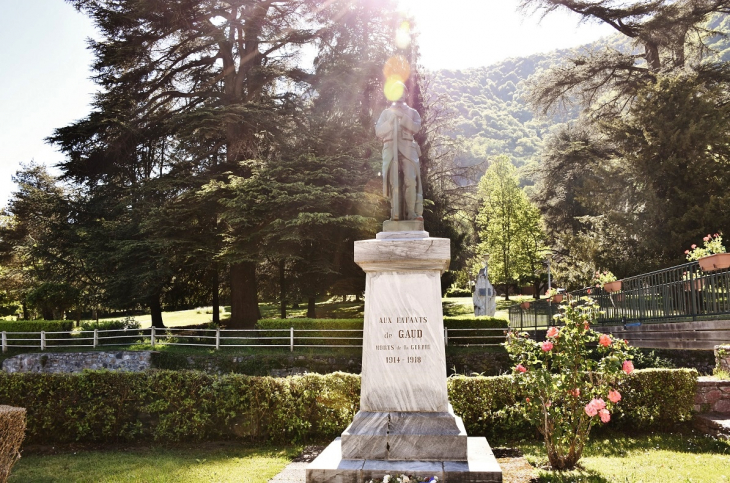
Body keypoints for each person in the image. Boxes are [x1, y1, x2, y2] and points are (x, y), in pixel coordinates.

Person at [375, 84, 424, 221]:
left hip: (408, 148)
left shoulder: (413, 112)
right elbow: (378, 132)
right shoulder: (385, 113)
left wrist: (402, 117)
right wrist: (390, 122)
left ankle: (411, 213)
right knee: (393, 182)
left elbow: (415, 127)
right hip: (390, 148)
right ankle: (394, 213)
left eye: (403, 91)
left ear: (406, 94)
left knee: (411, 180)